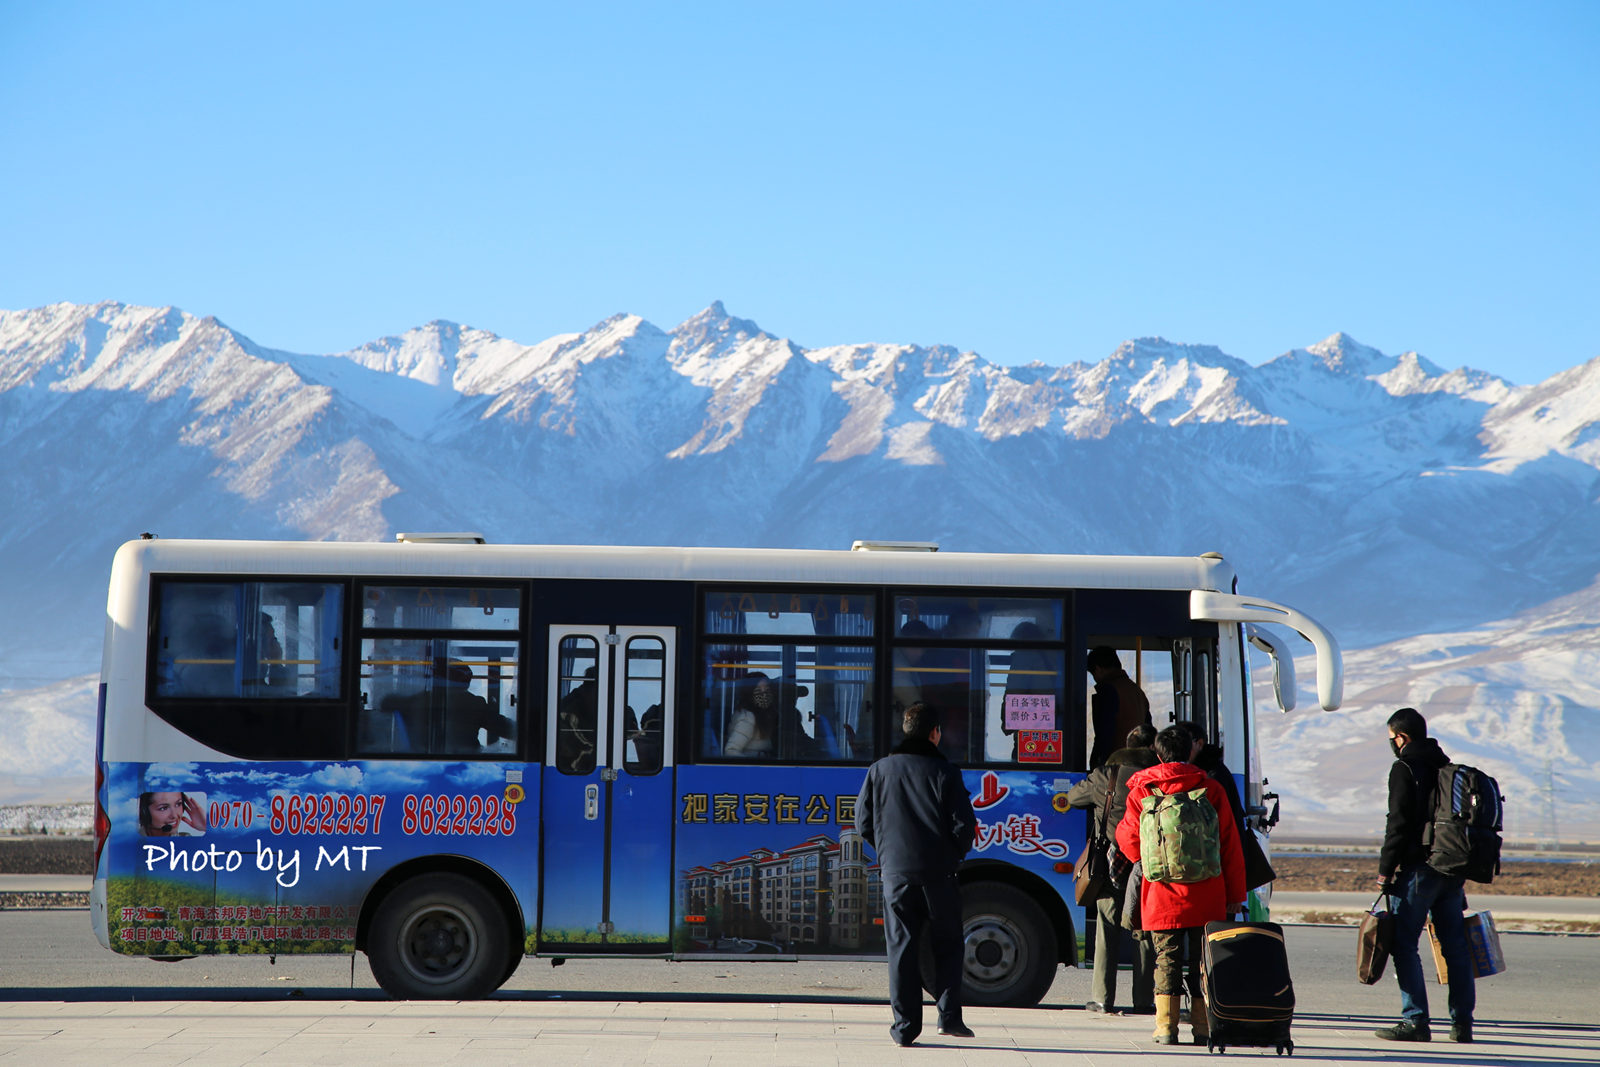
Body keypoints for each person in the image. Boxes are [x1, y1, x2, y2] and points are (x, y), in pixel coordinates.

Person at [855, 702, 978, 1047]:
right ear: (935, 733)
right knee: (949, 945)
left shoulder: (879, 770)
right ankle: (949, 1018)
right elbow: (964, 826)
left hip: (896, 874)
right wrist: (952, 856)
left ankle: (905, 1028)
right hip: (939, 874)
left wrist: (887, 856)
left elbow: (863, 823)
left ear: (906, 731)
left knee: (902, 949)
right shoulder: (946, 773)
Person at [1115, 725, 1244, 1046]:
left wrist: (1148, 860)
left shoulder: (1143, 791)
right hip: (1207, 891)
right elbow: (1229, 844)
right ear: (1191, 751)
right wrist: (1235, 895)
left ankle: (1165, 1028)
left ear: (1157, 754)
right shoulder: (1211, 789)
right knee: (1203, 962)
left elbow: (1128, 839)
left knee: (1166, 959)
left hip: (1162, 893)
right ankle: (1203, 1029)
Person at [1373, 707, 1475, 1043]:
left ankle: (1416, 1021)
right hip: (1451, 869)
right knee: (1454, 946)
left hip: (1419, 870)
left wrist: (1385, 870)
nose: (1392, 744)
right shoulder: (1445, 766)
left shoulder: (1404, 768)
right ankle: (1462, 1024)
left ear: (1401, 737)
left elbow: (1398, 823)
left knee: (1404, 944)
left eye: (1392, 738)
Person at [1065, 723, 1159, 1015]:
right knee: (1143, 928)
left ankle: (1103, 998)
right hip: (1148, 862)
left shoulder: (1107, 776)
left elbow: (1071, 799)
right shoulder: (1157, 778)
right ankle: (1144, 1001)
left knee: (1107, 926)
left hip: (1111, 862)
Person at [1088, 646, 1153, 768]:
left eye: (1093, 674)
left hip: (1115, 766)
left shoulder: (1109, 691)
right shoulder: (1137, 691)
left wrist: (1097, 765)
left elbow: (1105, 733)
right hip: (1138, 764)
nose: (1095, 680)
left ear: (1098, 669)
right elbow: (1148, 729)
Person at [723, 673, 778, 757]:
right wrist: (753, 767)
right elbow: (731, 751)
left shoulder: (766, 715)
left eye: (766, 689)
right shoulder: (748, 717)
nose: (763, 694)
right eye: (758, 689)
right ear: (749, 691)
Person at [139, 791, 207, 836]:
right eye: (163, 808)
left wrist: (205, 826)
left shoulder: (186, 838)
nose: (174, 816)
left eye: (178, 804)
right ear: (145, 812)